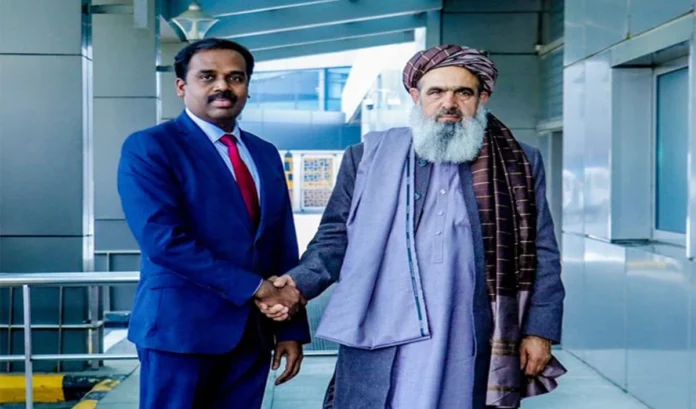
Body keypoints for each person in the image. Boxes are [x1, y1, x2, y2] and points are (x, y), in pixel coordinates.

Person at [260, 45, 566, 409]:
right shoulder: (367, 156)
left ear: (482, 98)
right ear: (415, 96)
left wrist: (539, 329)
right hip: (384, 322)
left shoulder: (519, 162)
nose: (449, 103)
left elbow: (541, 249)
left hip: (473, 326)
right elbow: (335, 237)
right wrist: (297, 285)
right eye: (436, 92)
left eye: (463, 92)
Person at [117, 38, 310, 409]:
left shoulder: (265, 153)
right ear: (181, 86)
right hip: (180, 332)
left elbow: (281, 243)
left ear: (247, 87)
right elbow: (163, 241)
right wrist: (257, 289)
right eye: (207, 76)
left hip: (252, 335)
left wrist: (290, 327)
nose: (223, 86)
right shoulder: (151, 147)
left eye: (235, 77)